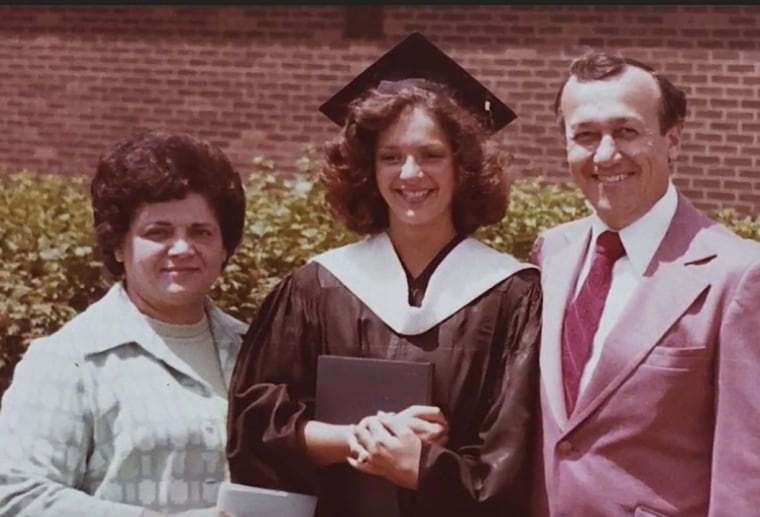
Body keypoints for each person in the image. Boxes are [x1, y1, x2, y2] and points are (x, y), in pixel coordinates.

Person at [226, 32, 542, 517]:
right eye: (390, 156)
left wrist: (422, 466)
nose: (410, 174)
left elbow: (511, 462)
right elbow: (254, 429)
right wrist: (359, 438)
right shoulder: (317, 286)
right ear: (368, 170)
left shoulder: (513, 295)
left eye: (431, 155)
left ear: (463, 166)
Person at [530, 51, 760, 516]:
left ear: (672, 140)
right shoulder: (549, 253)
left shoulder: (739, 275)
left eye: (627, 131)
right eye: (586, 136)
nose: (606, 154)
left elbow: (746, 471)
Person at [0, 130, 247, 516]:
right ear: (118, 244)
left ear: (224, 246)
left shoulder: (254, 350)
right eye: (158, 232)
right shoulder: (68, 361)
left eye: (201, 232)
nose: (182, 248)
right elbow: (17, 497)